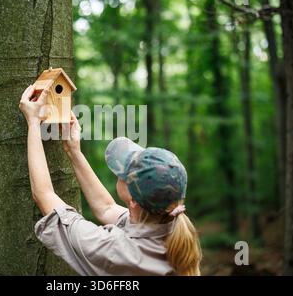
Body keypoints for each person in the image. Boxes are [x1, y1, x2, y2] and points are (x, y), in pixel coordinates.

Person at [19, 85, 202, 276]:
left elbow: (44, 195)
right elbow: (105, 208)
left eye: (125, 172)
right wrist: (73, 152)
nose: (119, 172)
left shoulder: (113, 251)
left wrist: (33, 123)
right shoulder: (168, 226)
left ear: (133, 200)